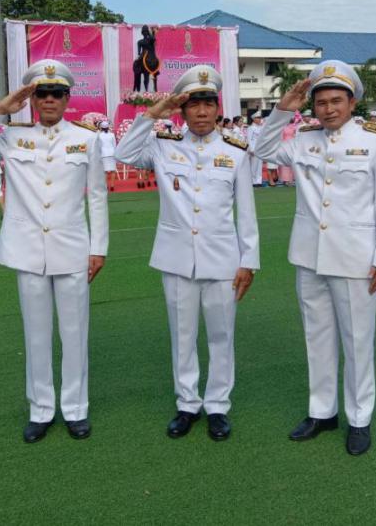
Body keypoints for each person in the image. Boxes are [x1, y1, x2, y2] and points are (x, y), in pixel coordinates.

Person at [0, 59, 109, 443]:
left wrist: (99, 248)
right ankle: (41, 409)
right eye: (41, 93)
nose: (49, 100)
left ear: (67, 98)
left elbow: (96, 195)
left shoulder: (87, 139)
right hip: (27, 250)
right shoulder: (12, 135)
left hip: (72, 249)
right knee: (36, 335)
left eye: (57, 93)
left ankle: (75, 409)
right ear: (32, 99)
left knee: (74, 335)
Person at [254, 60, 376, 456]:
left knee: (357, 341)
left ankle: (359, 418)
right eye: (321, 102)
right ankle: (322, 412)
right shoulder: (303, 139)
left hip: (356, 258)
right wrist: (282, 110)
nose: (329, 109)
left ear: (352, 103)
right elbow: (262, 149)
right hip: (309, 255)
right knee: (316, 338)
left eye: (337, 101)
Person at [116, 65, 259, 441]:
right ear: (181, 110)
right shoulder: (163, 146)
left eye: (208, 104)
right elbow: (123, 152)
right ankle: (187, 403)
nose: (201, 112)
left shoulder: (235, 152)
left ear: (217, 108)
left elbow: (246, 212)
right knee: (182, 335)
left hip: (222, 259)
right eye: (193, 104)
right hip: (177, 257)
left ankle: (218, 405)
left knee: (221, 335)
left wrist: (249, 260)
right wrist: (153, 113)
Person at [97, 120, 117, 192]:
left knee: (105, 171)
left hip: (103, 154)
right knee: (113, 170)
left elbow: (99, 146)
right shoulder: (112, 135)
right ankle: (112, 186)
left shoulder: (99, 135)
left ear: (101, 128)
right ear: (108, 127)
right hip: (112, 153)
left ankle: (105, 186)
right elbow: (114, 145)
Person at [246, 111, 264, 186]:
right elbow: (249, 139)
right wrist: (251, 149)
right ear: (254, 119)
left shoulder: (261, 128)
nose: (259, 119)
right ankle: (253, 181)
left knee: (259, 166)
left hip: (260, 148)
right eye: (258, 118)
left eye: (260, 118)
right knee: (253, 166)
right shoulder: (250, 128)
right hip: (253, 149)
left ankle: (259, 181)